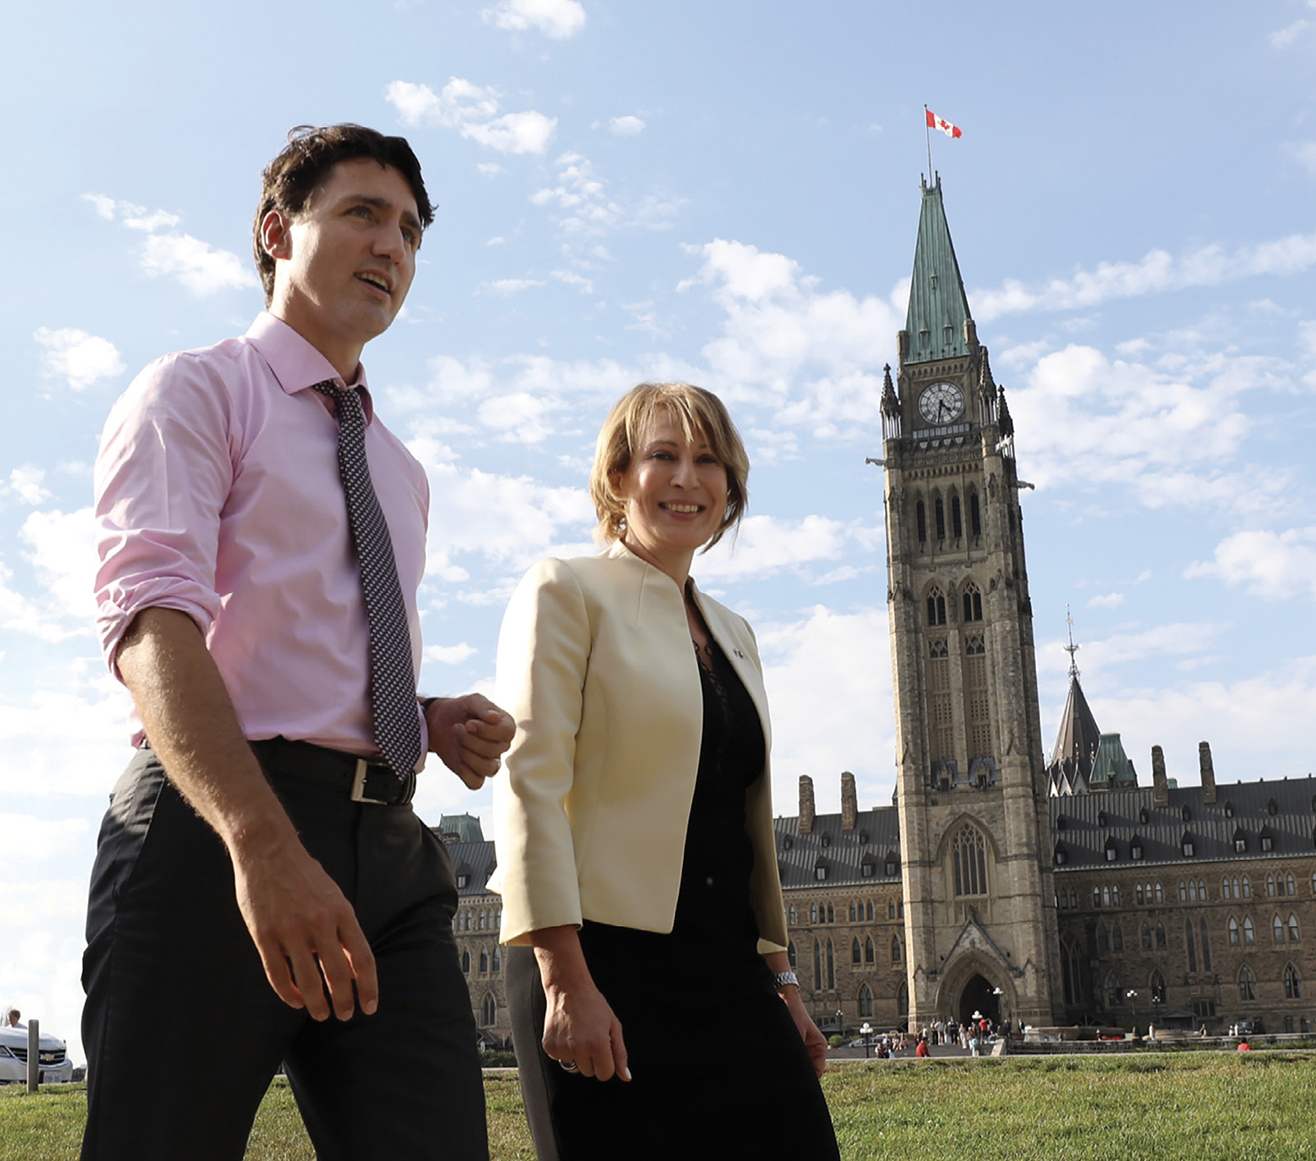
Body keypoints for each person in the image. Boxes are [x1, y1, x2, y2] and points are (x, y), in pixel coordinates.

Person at [83, 124, 514, 1160]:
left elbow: (316, 646)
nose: (394, 247)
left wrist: (422, 713)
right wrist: (262, 844)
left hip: (394, 858)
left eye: (411, 231)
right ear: (278, 230)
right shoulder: (195, 392)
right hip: (214, 832)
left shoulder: (400, 472)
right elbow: (152, 630)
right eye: (363, 213)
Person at [495, 382, 840, 1160]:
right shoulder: (567, 590)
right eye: (664, 455)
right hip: (600, 962)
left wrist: (782, 981)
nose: (688, 477)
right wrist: (564, 979)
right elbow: (530, 785)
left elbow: (737, 822)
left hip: (727, 967)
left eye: (708, 460)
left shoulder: (735, 632)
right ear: (619, 478)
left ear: (731, 488)